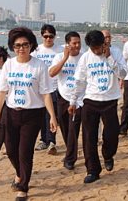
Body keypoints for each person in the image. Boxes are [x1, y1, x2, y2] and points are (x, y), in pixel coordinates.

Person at [0, 27, 57, 201]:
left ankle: (23, 188)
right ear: (13, 47)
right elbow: (1, 91)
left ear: (31, 45)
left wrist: (52, 116)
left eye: (25, 45)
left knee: (25, 152)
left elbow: (45, 93)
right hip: (11, 113)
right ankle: (20, 174)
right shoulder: (9, 64)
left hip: (32, 114)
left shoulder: (39, 66)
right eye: (17, 45)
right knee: (11, 150)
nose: (21, 48)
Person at [68, 30, 125, 184]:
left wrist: (109, 58)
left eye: (98, 48)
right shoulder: (86, 57)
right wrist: (73, 101)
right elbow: (79, 81)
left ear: (104, 43)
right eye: (93, 48)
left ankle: (108, 155)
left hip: (110, 101)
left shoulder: (116, 52)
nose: (96, 51)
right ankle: (92, 170)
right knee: (89, 137)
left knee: (112, 134)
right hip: (90, 101)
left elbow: (124, 73)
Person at [49, 31, 83, 170]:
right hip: (63, 97)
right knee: (64, 128)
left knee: (73, 128)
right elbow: (51, 73)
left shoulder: (84, 57)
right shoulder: (59, 57)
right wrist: (64, 58)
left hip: (80, 99)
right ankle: (71, 151)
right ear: (67, 44)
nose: (77, 46)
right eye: (74, 43)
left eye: (79, 43)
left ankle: (70, 159)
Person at [31, 24, 62, 155]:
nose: (48, 39)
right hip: (39, 88)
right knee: (41, 116)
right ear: (42, 36)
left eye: (51, 36)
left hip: (54, 87)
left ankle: (52, 142)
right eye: (46, 36)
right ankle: (43, 139)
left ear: (54, 36)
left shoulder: (60, 50)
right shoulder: (36, 51)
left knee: (51, 115)